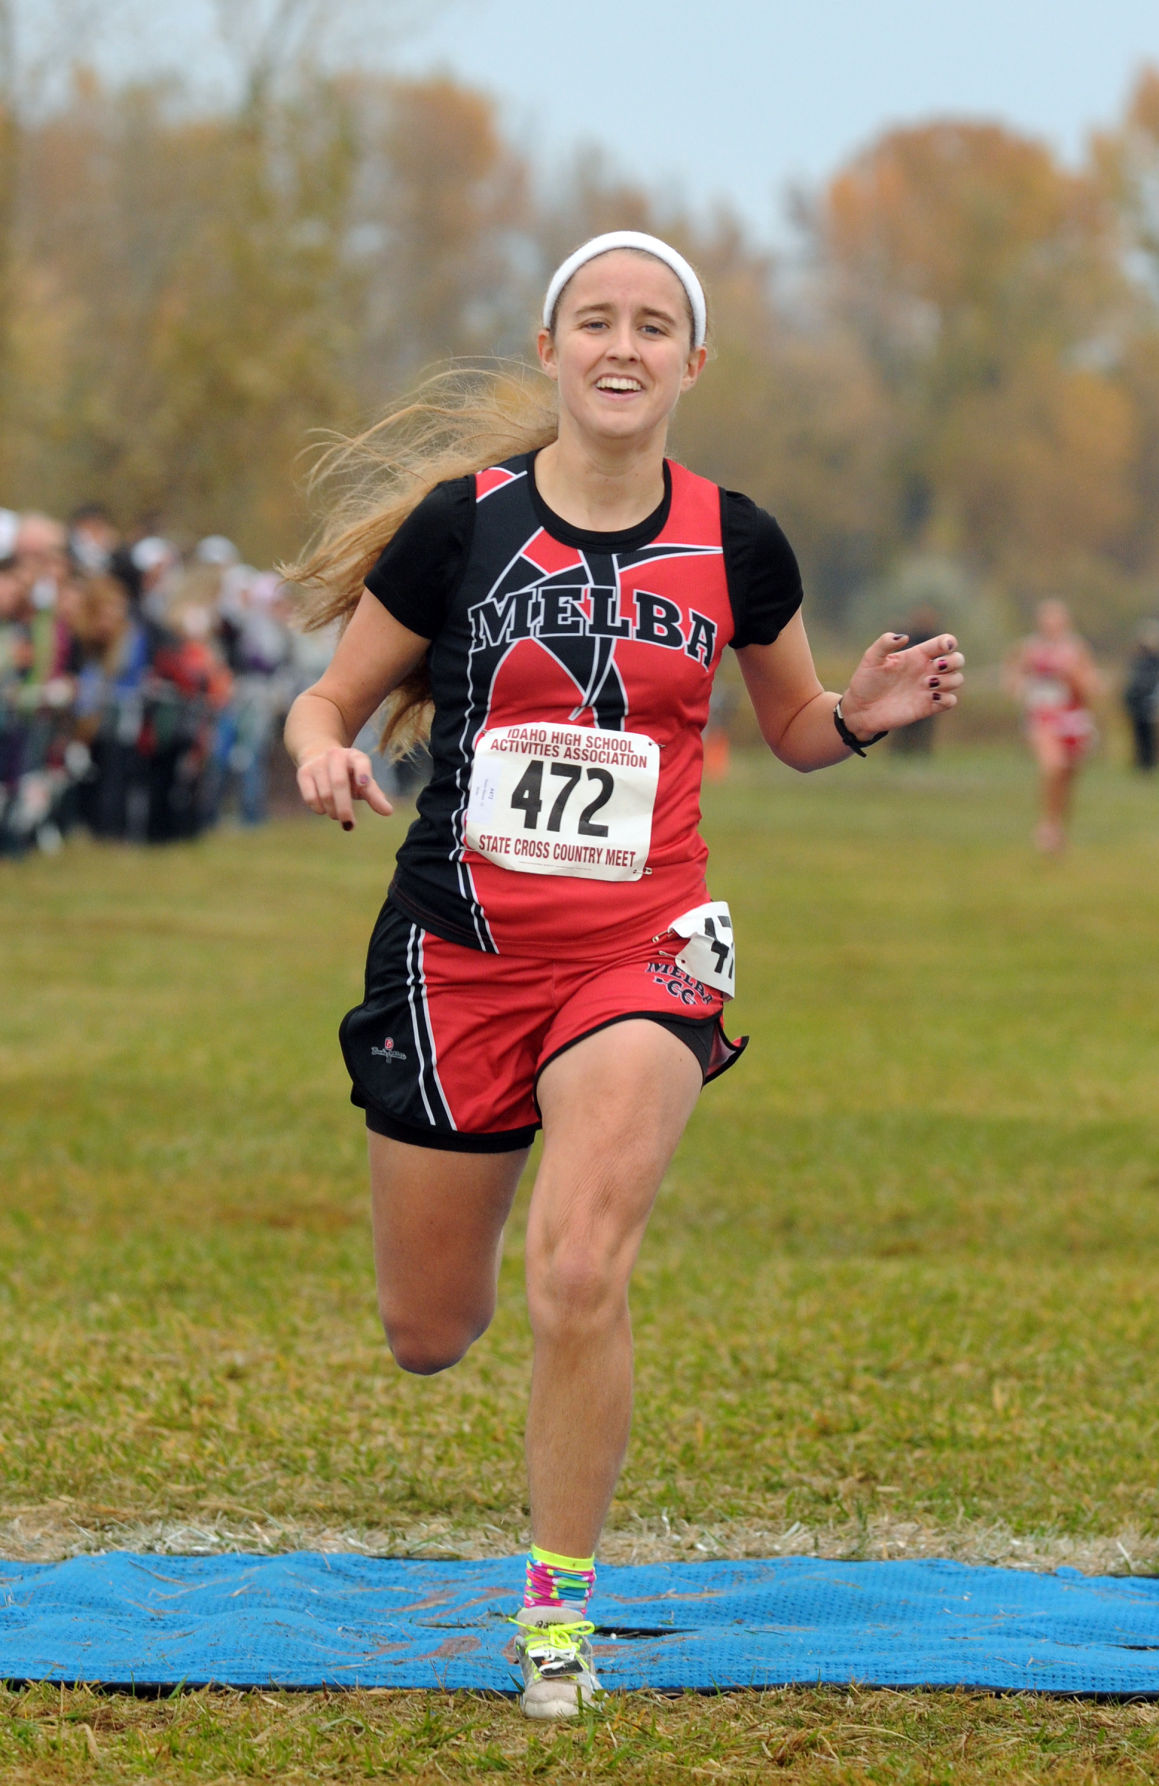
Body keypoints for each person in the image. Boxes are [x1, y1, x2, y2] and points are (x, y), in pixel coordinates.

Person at [283, 231, 964, 1718]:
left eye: (653, 325)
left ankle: (554, 1614)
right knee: (428, 1331)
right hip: (455, 956)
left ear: (689, 364)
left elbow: (787, 726)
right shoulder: (458, 528)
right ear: (549, 349)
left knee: (580, 1268)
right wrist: (325, 744)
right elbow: (330, 690)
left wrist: (858, 710)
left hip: (636, 951)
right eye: (595, 319)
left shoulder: (737, 540)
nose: (622, 343)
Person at [1005, 599, 1099, 853]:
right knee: (1053, 765)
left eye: (1056, 621)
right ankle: (1047, 826)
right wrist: (1021, 686)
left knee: (1067, 777)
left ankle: (1058, 828)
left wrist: (1071, 675)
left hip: (1072, 718)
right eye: (1046, 621)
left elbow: (1090, 689)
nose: (1051, 627)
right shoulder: (1028, 648)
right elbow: (1012, 680)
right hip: (1041, 717)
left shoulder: (1076, 649)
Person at [1123, 619, 1159, 772]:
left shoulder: (1155, 661)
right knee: (1139, 734)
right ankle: (1141, 763)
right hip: (1137, 703)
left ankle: (1149, 763)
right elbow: (1133, 683)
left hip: (1150, 701)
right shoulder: (1138, 660)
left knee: (1149, 735)